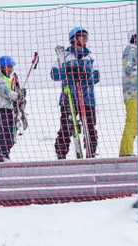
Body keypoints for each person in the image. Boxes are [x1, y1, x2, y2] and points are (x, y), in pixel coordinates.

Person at [50, 27, 100, 160]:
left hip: (87, 98)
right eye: (81, 36)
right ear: (74, 39)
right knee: (66, 126)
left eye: (86, 36)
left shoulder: (90, 57)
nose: (84, 39)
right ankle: (61, 152)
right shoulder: (65, 56)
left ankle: (91, 151)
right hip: (69, 98)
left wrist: (85, 75)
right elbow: (54, 75)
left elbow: (96, 77)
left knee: (90, 125)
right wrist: (69, 71)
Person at [0, 56, 26, 163]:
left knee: (11, 131)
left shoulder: (9, 79)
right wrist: (17, 96)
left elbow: (12, 90)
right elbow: (5, 92)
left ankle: (5, 153)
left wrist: (20, 95)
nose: (11, 69)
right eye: (8, 67)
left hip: (10, 108)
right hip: (3, 108)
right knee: (6, 130)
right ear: (2, 67)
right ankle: (0, 153)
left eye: (12, 67)